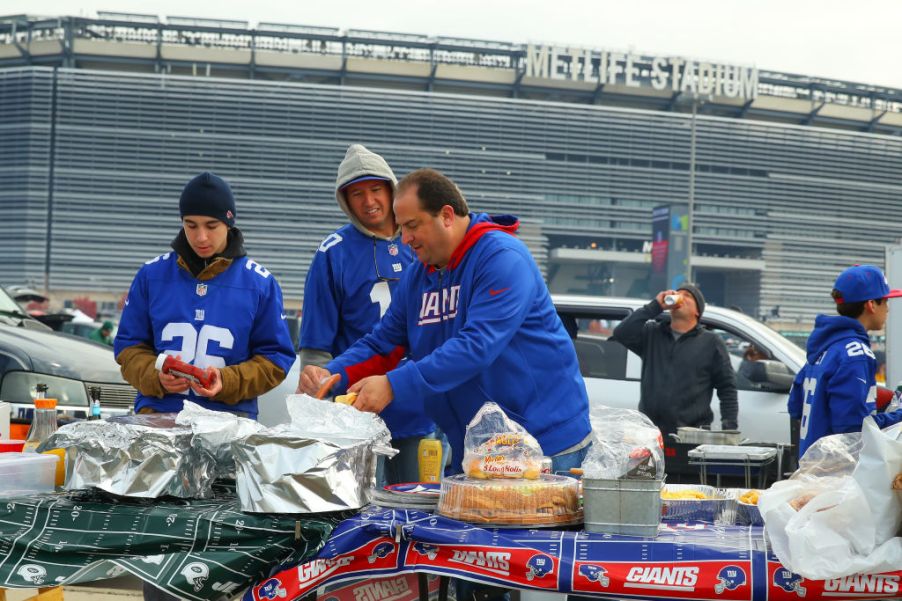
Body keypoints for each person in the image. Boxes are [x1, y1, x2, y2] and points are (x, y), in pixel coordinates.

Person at [298, 168, 592, 475]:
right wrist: (331, 374)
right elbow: (383, 342)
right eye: (402, 228)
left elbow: (476, 345)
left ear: (447, 215)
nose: (405, 238)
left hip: (545, 444)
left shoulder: (502, 257)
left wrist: (394, 384)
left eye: (412, 226)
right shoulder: (418, 275)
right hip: (476, 447)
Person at [297, 144, 434, 484]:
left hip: (421, 405)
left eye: (375, 189)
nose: (369, 201)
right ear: (345, 200)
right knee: (366, 513)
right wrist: (319, 404)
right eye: (357, 193)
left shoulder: (422, 242)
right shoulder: (333, 253)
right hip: (357, 412)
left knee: (421, 510)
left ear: (391, 188)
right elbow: (317, 347)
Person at [114, 171, 296, 421]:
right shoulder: (151, 275)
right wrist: (155, 376)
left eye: (211, 226)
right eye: (191, 225)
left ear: (229, 223)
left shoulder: (259, 284)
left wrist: (227, 380)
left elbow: (276, 359)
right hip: (159, 415)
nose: (200, 237)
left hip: (229, 420)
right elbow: (128, 348)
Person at [788, 264, 902, 458]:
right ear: (871, 305)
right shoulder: (856, 354)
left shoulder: (825, 346)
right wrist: (898, 417)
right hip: (837, 472)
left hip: (812, 467)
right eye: (884, 301)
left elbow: (795, 406)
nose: (888, 308)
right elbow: (853, 429)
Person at [611, 285, 738, 437]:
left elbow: (727, 388)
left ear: (698, 311)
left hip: (691, 435)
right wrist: (655, 306)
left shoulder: (711, 342)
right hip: (651, 433)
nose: (680, 297)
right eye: (678, 294)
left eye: (687, 296)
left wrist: (729, 429)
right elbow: (621, 333)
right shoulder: (652, 333)